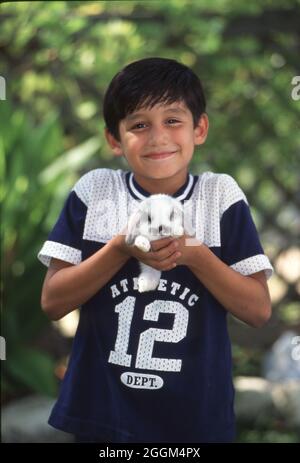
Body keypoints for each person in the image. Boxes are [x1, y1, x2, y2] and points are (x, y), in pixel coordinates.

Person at [38, 57, 273, 443]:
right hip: (103, 413)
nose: (158, 137)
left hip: (195, 418)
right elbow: (52, 302)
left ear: (200, 129)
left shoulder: (219, 197)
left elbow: (259, 310)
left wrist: (195, 255)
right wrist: (119, 249)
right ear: (115, 139)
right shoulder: (96, 192)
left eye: (173, 121)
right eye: (139, 125)